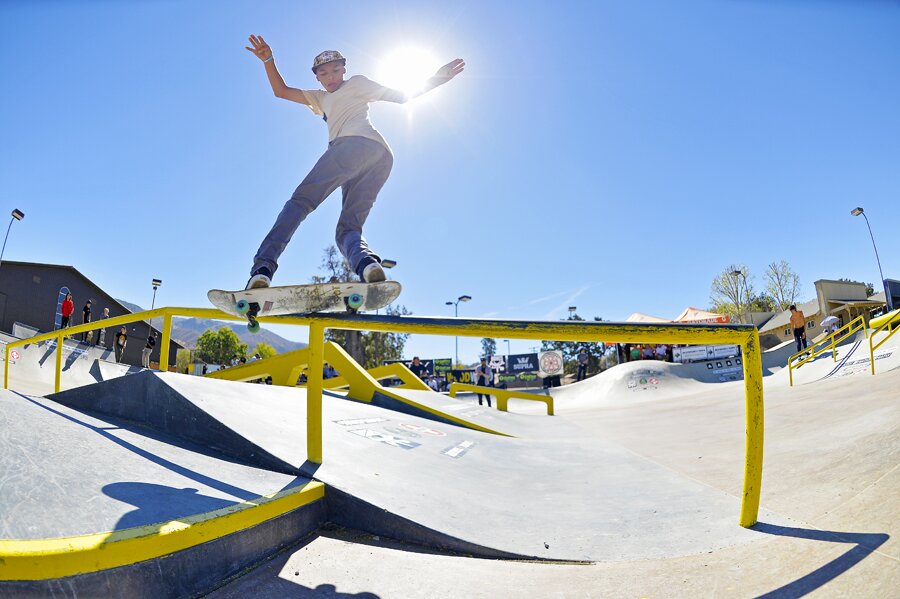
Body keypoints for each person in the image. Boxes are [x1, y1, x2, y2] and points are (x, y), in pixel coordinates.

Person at [242, 36, 465, 289]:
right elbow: (281, 91)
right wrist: (268, 61)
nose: (331, 77)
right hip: (380, 157)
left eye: (336, 70)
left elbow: (401, 96)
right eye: (324, 73)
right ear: (317, 77)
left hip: (350, 148)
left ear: (344, 69)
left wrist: (438, 78)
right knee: (348, 228)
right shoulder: (319, 98)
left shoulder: (357, 83)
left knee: (299, 203)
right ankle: (368, 265)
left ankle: (263, 267)